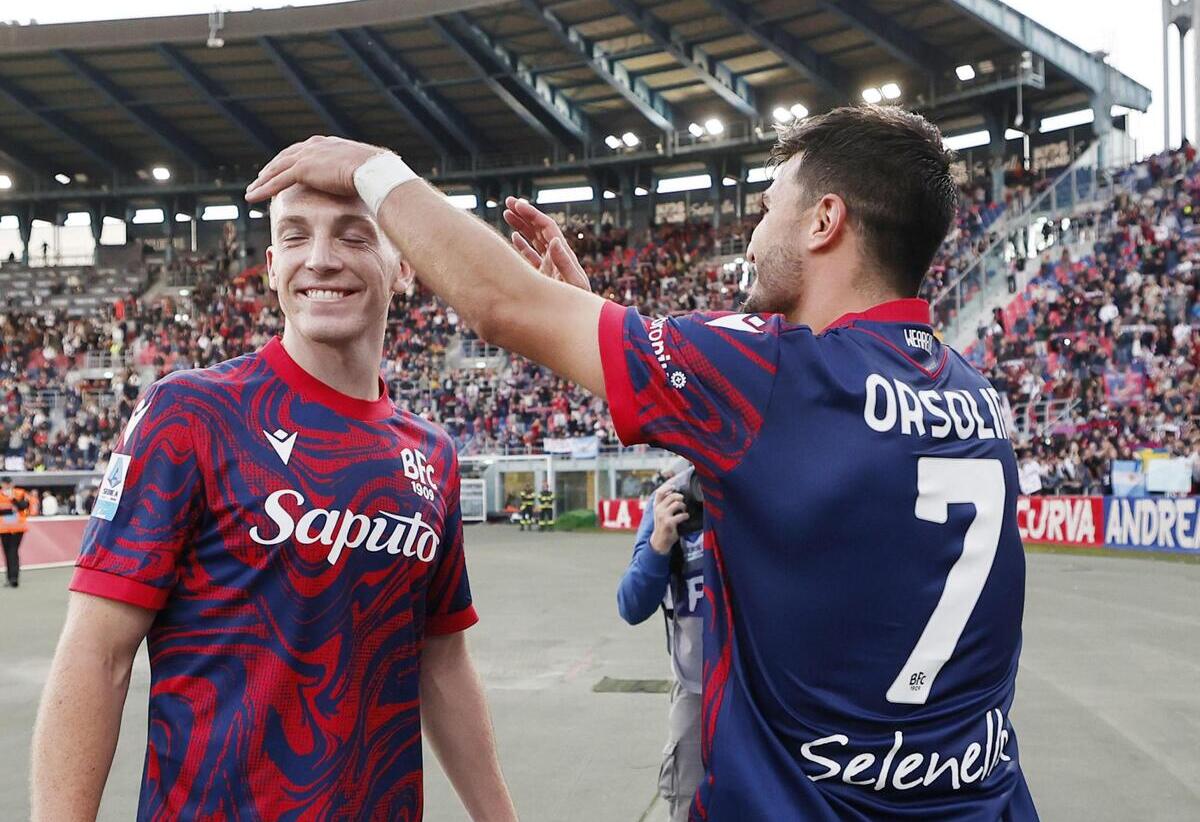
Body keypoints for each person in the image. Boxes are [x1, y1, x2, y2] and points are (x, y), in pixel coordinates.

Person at [246, 104, 1037, 818]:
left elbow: (501, 306)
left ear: (824, 221)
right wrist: (588, 313)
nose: (753, 238)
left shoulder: (776, 372)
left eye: (766, 211)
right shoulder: (975, 396)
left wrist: (370, 169)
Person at [31, 183, 516, 820]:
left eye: (352, 233)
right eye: (295, 235)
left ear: (404, 266)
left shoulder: (432, 453)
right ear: (270, 266)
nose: (319, 257)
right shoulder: (192, 413)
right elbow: (98, 654)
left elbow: (443, 660)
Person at [617, 461, 704, 822]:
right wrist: (659, 544)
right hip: (696, 688)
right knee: (687, 804)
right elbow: (632, 605)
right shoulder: (670, 499)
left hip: (763, 690)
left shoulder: (762, 488)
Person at [0, 476, 31, 588]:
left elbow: (24, 506)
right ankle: (10, 578)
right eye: (5, 483)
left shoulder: (20, 493)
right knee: (7, 553)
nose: (7, 486)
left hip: (17, 528)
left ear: (12, 484)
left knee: (13, 551)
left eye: (8, 483)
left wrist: (13, 499)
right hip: (3, 529)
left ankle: (14, 578)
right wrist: (10, 510)